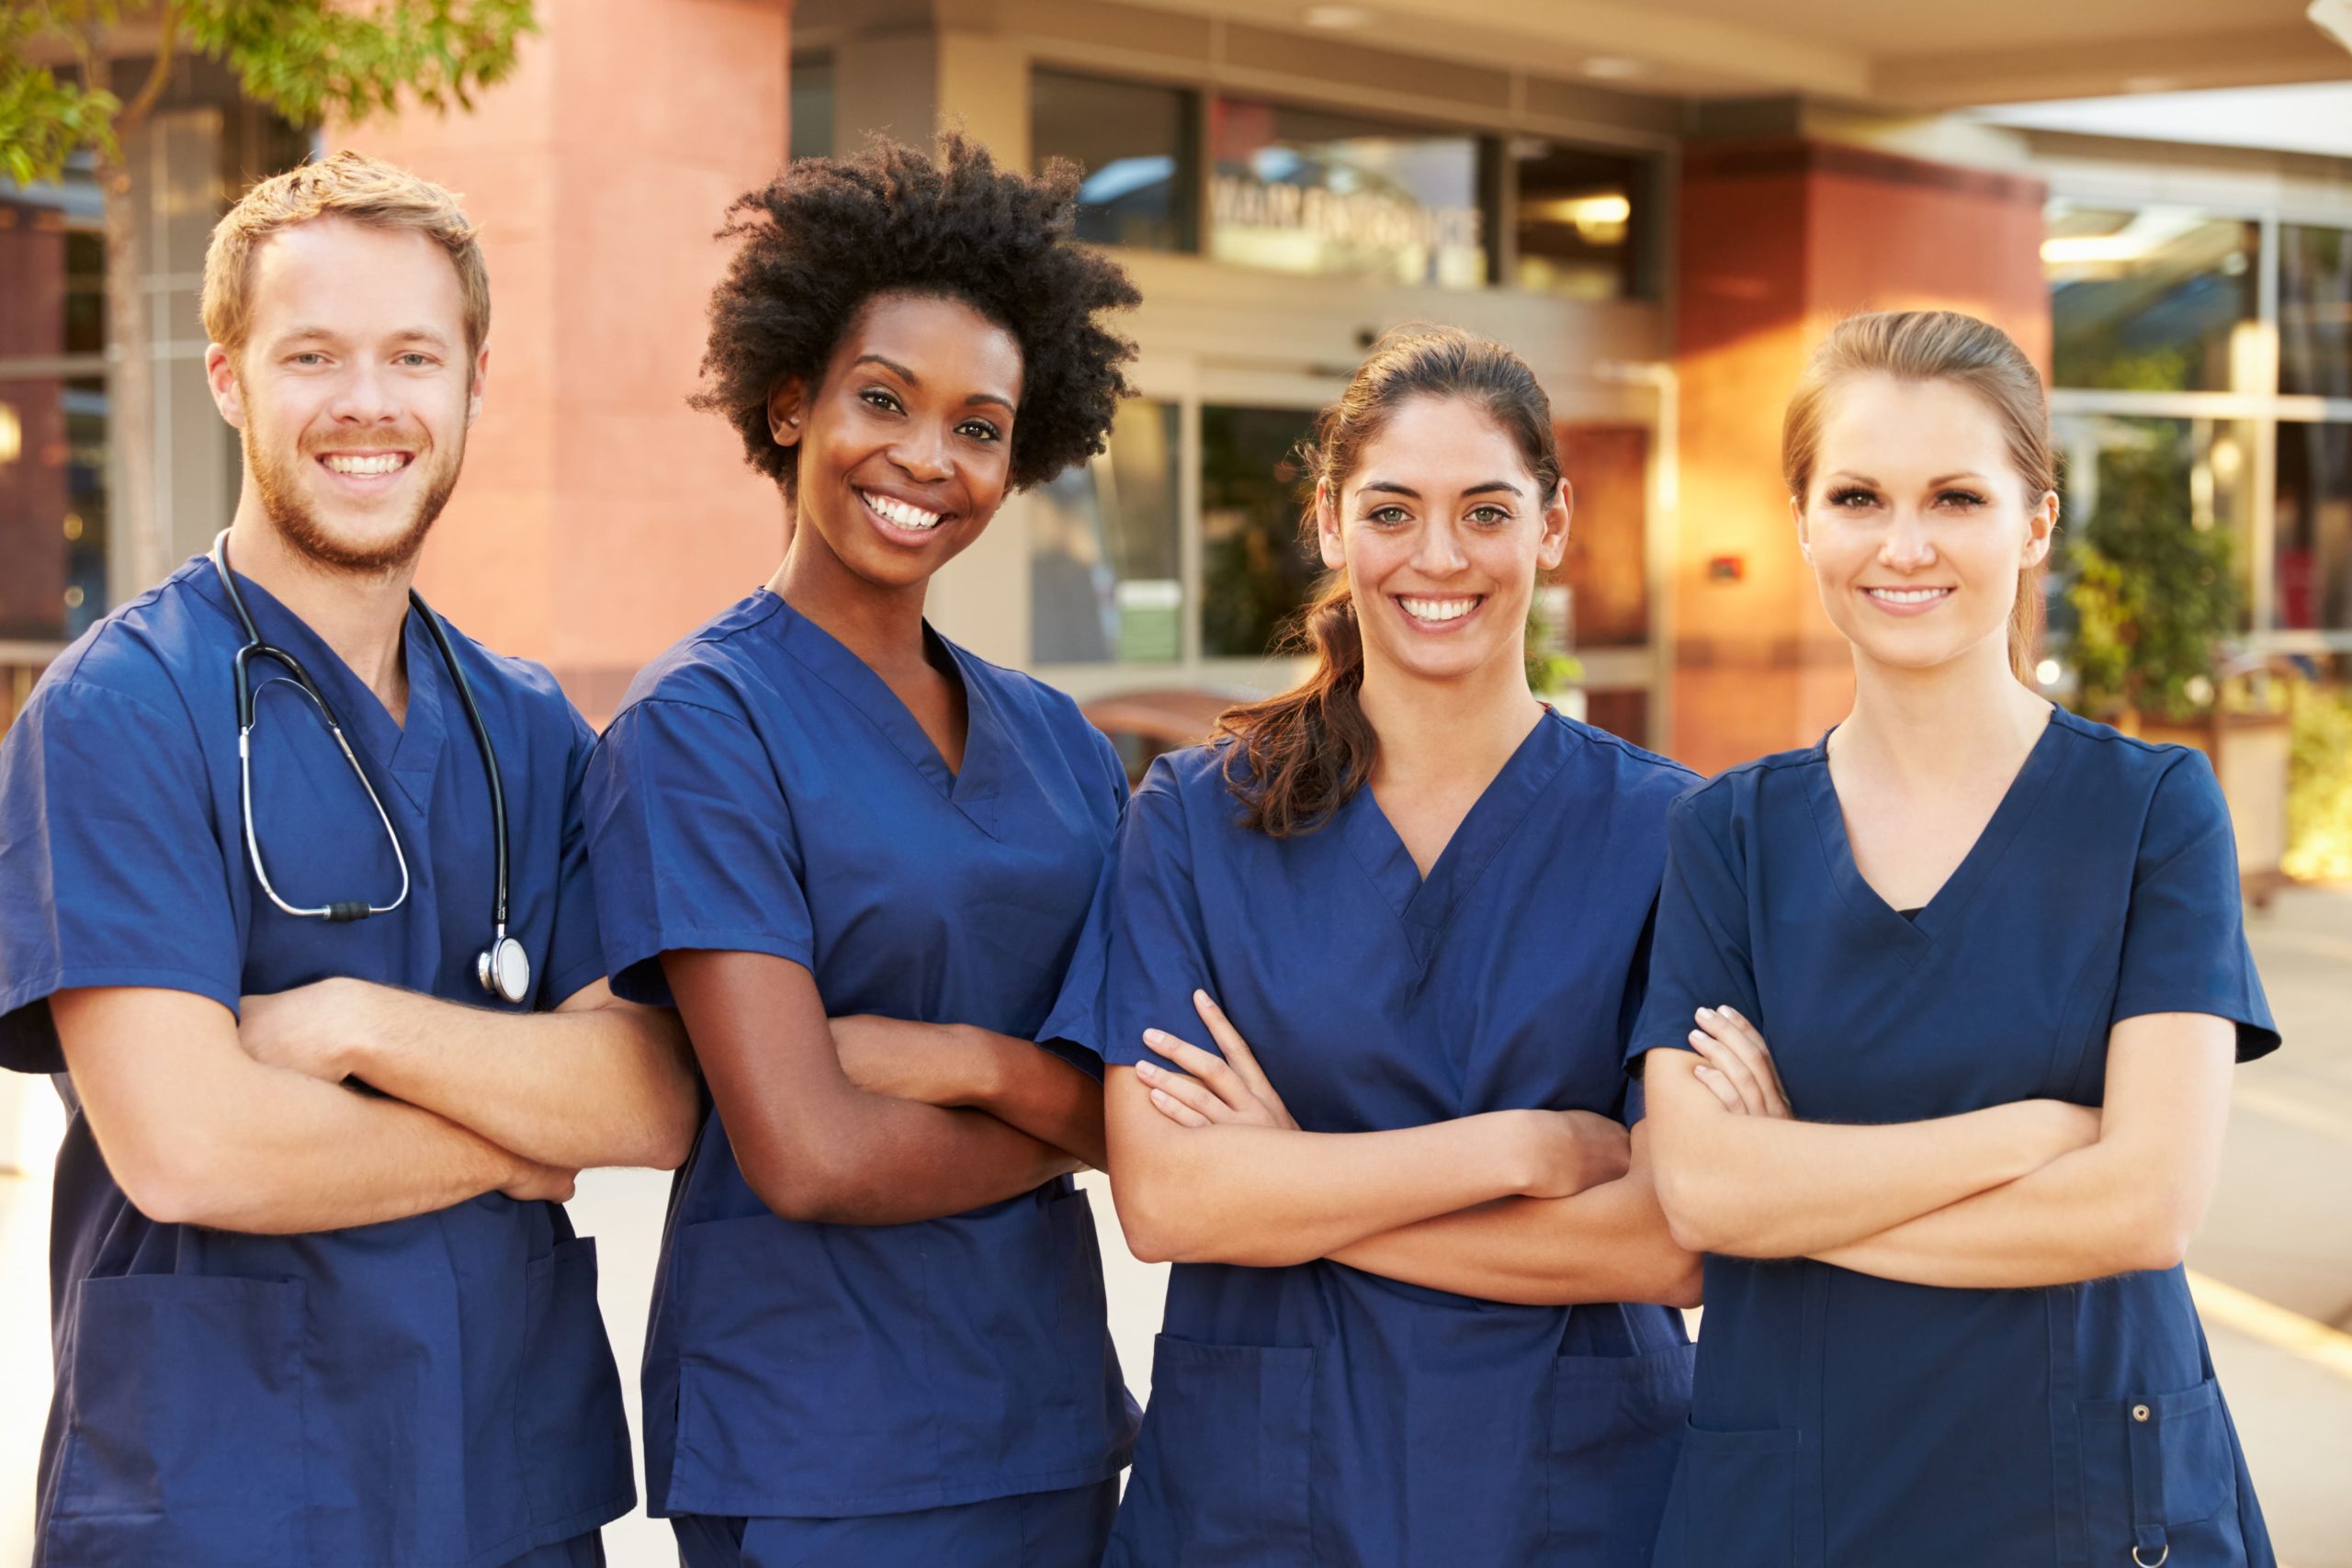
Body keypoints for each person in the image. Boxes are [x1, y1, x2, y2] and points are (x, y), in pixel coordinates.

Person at [0, 152, 699, 1568]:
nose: (367, 403)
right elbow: (194, 1147)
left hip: (504, 1490)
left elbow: (651, 1095)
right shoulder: (119, 709)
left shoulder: (529, 724)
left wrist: (351, 1023)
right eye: (312, 354)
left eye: (413, 356)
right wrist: (513, 1137)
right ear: (228, 378)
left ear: (474, 385)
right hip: (228, 1489)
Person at [1042, 325, 1704, 1567]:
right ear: (1331, 522)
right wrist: (1516, 1147)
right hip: (1264, 1499)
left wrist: (1292, 1189)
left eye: (1486, 511)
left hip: (1570, 1501)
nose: (1437, 557)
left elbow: (1667, 1242)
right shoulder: (1195, 819)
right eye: (1392, 511)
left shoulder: (1670, 833)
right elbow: (1170, 1197)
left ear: (1554, 526)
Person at [1634, 309, 2278, 1567]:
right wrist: (2026, 1140)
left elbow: (2143, 1207)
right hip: (1800, 1495)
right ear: (1804, 519)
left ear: (2034, 521)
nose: (1905, 544)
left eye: (1957, 498)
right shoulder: (1727, 835)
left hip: (2085, 1493)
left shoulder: (2151, 814)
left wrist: (1795, 1197)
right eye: (1860, 496)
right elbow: (1700, 1186)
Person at [580, 133, 1143, 1568]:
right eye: (882, 400)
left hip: (1054, 1424)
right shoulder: (703, 725)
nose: (926, 459)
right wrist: (1061, 1118)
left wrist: (968, 1064)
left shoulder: (1062, 745)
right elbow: (811, 1152)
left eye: (980, 426)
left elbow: (1139, 1116)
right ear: (789, 404)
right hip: (821, 1449)